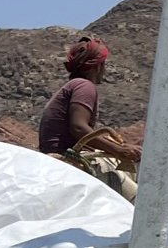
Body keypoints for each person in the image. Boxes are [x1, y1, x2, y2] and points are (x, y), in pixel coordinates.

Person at [39, 38, 140, 196]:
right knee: (137, 203)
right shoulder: (85, 86)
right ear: (97, 66)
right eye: (103, 64)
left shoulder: (72, 85)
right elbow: (78, 127)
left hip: (52, 157)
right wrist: (118, 150)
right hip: (69, 158)